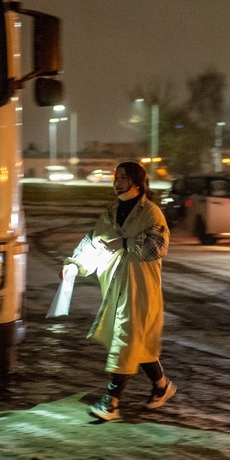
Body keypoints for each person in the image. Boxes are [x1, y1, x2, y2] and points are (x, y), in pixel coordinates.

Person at [62, 161, 176, 421]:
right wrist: (73, 265)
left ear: (136, 180)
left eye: (123, 177)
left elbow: (157, 247)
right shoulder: (111, 212)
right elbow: (93, 241)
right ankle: (162, 386)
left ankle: (112, 402)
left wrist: (123, 243)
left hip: (140, 290)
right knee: (137, 342)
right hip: (115, 289)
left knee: (124, 340)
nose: (117, 181)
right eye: (116, 177)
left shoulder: (151, 212)